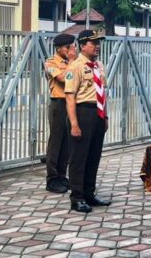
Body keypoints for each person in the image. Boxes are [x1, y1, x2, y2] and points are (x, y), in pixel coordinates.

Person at [65, 29, 111, 213]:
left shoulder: (99, 66)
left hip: (97, 113)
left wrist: (105, 116)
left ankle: (89, 194)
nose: (97, 46)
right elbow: (70, 97)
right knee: (79, 157)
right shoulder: (75, 67)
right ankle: (77, 197)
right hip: (82, 112)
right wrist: (74, 124)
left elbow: (103, 93)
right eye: (94, 43)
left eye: (98, 42)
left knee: (94, 156)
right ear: (83, 45)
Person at [44, 33, 76, 193]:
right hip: (58, 104)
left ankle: (62, 176)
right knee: (56, 142)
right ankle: (52, 178)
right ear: (59, 48)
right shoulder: (50, 62)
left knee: (67, 143)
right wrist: (71, 62)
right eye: (67, 47)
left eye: (72, 46)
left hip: (72, 104)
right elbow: (65, 78)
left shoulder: (73, 62)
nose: (71, 50)